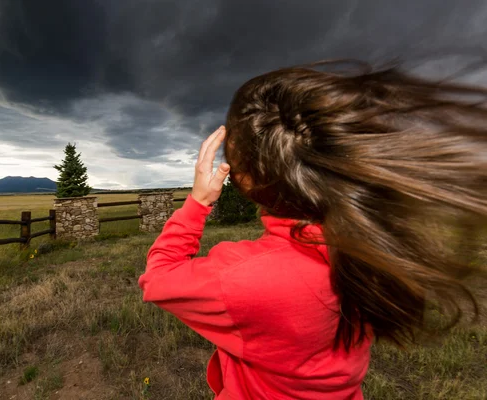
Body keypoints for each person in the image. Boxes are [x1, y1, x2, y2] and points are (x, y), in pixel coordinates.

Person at [138, 62, 487, 399]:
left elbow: (158, 278)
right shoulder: (368, 245)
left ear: (244, 179)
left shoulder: (242, 279)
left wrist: (198, 202)